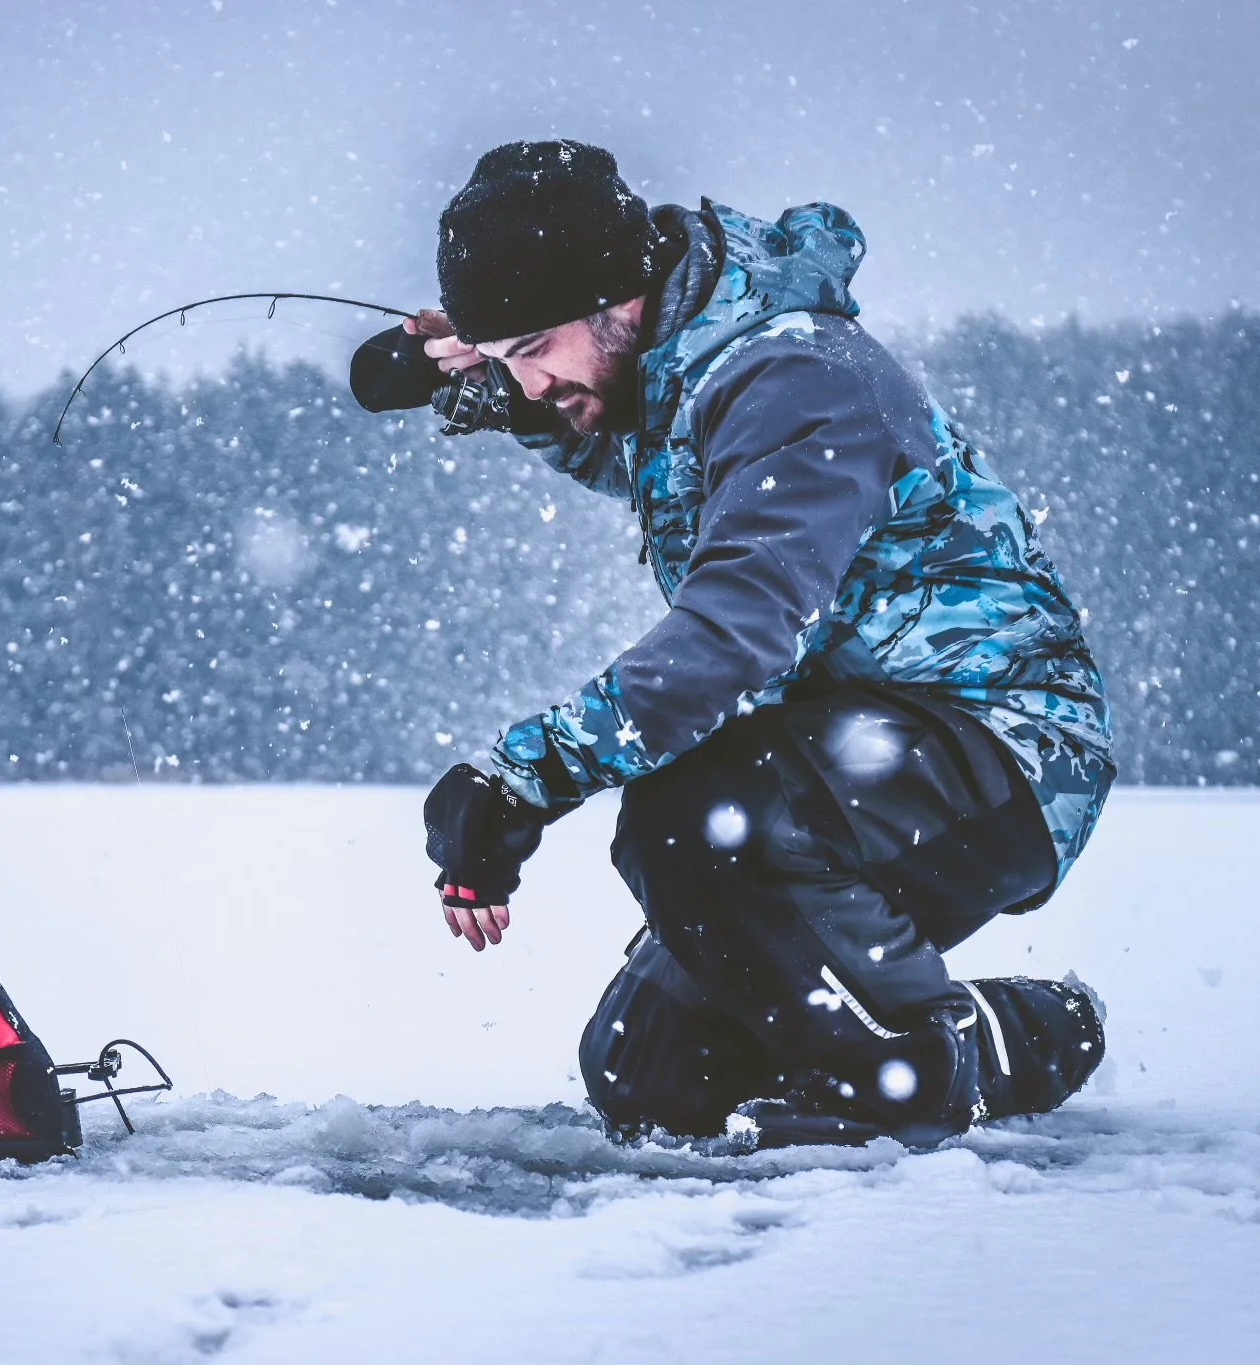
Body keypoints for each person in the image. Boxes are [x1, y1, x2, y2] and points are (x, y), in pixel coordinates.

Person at [415, 140, 1116, 1148]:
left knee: (693, 823)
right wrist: (510, 401)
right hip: (847, 760)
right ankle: (900, 1024)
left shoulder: (798, 376)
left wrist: (523, 778)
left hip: (997, 745)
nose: (528, 382)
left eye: (531, 350)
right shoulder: (690, 371)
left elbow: (734, 635)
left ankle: (957, 1054)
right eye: (505, 361)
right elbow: (637, 450)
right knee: (646, 1075)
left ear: (617, 299)